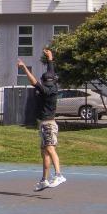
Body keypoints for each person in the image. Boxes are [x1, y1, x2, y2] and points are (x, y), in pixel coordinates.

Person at [19, 50, 65, 191]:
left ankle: (59, 175)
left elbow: (33, 81)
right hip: (44, 124)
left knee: (50, 149)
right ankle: (44, 180)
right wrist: (50, 59)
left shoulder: (47, 91)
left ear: (45, 82)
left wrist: (24, 67)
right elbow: (51, 72)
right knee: (45, 153)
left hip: (48, 125)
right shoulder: (52, 85)